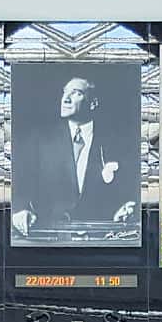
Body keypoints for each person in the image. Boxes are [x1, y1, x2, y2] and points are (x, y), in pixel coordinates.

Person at [11, 74, 137, 236]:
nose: (66, 99)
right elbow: (21, 182)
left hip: (101, 238)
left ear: (93, 103)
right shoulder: (40, 140)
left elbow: (131, 189)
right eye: (65, 93)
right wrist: (20, 210)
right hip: (48, 238)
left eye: (76, 93)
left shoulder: (116, 142)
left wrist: (127, 207)